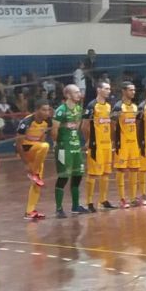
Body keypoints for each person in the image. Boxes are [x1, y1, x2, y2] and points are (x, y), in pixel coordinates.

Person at [51, 84, 87, 218]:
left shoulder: (78, 109)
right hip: (64, 147)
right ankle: (59, 208)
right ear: (68, 95)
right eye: (76, 92)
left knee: (78, 176)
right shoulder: (61, 110)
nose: (79, 94)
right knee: (63, 176)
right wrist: (57, 143)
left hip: (75, 147)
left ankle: (75, 206)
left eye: (79, 92)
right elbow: (54, 130)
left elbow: (77, 126)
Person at [15, 99, 52, 220]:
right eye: (44, 110)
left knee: (37, 184)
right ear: (37, 110)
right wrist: (25, 163)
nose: (47, 112)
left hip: (37, 151)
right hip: (26, 149)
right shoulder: (26, 122)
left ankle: (29, 211)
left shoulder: (47, 122)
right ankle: (34, 173)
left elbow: (42, 138)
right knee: (45, 146)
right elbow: (18, 144)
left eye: (48, 110)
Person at [82, 81, 115, 212]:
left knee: (106, 173)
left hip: (107, 144)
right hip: (96, 144)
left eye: (109, 89)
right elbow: (84, 126)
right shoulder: (91, 106)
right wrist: (89, 140)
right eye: (106, 89)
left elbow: (109, 124)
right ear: (99, 90)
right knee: (93, 173)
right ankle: (89, 202)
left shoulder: (107, 106)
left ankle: (103, 200)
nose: (109, 91)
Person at [112, 82, 143, 207]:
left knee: (134, 168)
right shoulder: (118, 107)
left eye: (134, 90)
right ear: (124, 91)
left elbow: (136, 124)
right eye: (130, 90)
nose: (133, 92)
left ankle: (133, 197)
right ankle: (122, 199)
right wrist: (115, 141)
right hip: (122, 143)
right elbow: (112, 124)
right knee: (121, 169)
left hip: (133, 143)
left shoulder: (135, 107)